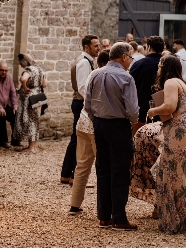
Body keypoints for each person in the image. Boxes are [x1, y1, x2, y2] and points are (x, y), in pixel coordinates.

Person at [146, 55, 186, 234]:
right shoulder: (182, 82)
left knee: (172, 170)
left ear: (165, 67)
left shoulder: (170, 83)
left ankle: (178, 218)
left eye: (160, 65)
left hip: (179, 130)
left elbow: (169, 107)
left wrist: (153, 110)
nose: (158, 68)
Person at [85, 42, 139, 231]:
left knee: (103, 169)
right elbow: (133, 111)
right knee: (120, 171)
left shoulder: (95, 74)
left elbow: (87, 105)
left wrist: (97, 119)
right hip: (118, 125)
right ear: (124, 57)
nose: (130, 61)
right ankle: (119, 218)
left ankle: (104, 217)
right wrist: (131, 120)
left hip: (100, 124)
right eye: (131, 57)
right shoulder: (126, 77)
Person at [68, 49, 109, 215]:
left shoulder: (92, 74)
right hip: (95, 123)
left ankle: (75, 205)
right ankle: (104, 209)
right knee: (103, 167)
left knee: (82, 165)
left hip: (84, 121)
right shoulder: (106, 75)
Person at [61, 34, 100, 185]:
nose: (99, 48)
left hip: (80, 102)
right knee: (79, 139)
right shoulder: (84, 63)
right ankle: (72, 175)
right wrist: (93, 103)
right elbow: (83, 87)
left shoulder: (86, 61)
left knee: (75, 138)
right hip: (81, 102)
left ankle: (67, 174)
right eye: (95, 46)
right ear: (87, 47)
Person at [12, 54, 47, 154]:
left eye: (20, 63)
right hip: (37, 98)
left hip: (28, 98)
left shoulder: (29, 69)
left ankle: (31, 148)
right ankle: (33, 146)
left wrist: (25, 87)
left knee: (30, 121)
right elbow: (44, 84)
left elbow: (23, 79)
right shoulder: (40, 70)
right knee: (35, 121)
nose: (20, 66)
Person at [129, 35, 164, 130]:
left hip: (140, 111)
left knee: (137, 141)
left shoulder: (139, 64)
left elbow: (129, 87)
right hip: (162, 112)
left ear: (149, 48)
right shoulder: (167, 65)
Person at [0, 61, 18, 149]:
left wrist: (15, 106)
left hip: (6, 105)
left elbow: (13, 92)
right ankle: (3, 141)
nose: (4, 72)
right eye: (2, 70)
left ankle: (16, 140)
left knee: (16, 115)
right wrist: (0, 107)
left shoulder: (8, 78)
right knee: (1, 116)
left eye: (6, 70)